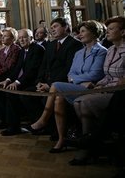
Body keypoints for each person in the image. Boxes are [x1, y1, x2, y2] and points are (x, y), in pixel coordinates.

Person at [28, 20, 106, 151]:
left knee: (56, 85)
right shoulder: (79, 52)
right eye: (79, 32)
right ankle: (61, 139)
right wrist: (79, 80)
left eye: (83, 31)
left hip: (91, 89)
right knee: (58, 98)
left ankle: (43, 119)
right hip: (79, 86)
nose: (80, 35)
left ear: (93, 33)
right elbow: (71, 73)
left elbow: (95, 74)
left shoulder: (101, 51)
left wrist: (75, 79)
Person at [70, 16, 125, 165]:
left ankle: (90, 142)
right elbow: (107, 75)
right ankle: (91, 141)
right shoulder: (111, 50)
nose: (108, 31)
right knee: (78, 103)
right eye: (107, 29)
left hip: (119, 93)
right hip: (106, 87)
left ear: (123, 32)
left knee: (85, 101)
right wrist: (99, 85)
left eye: (112, 28)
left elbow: (121, 80)